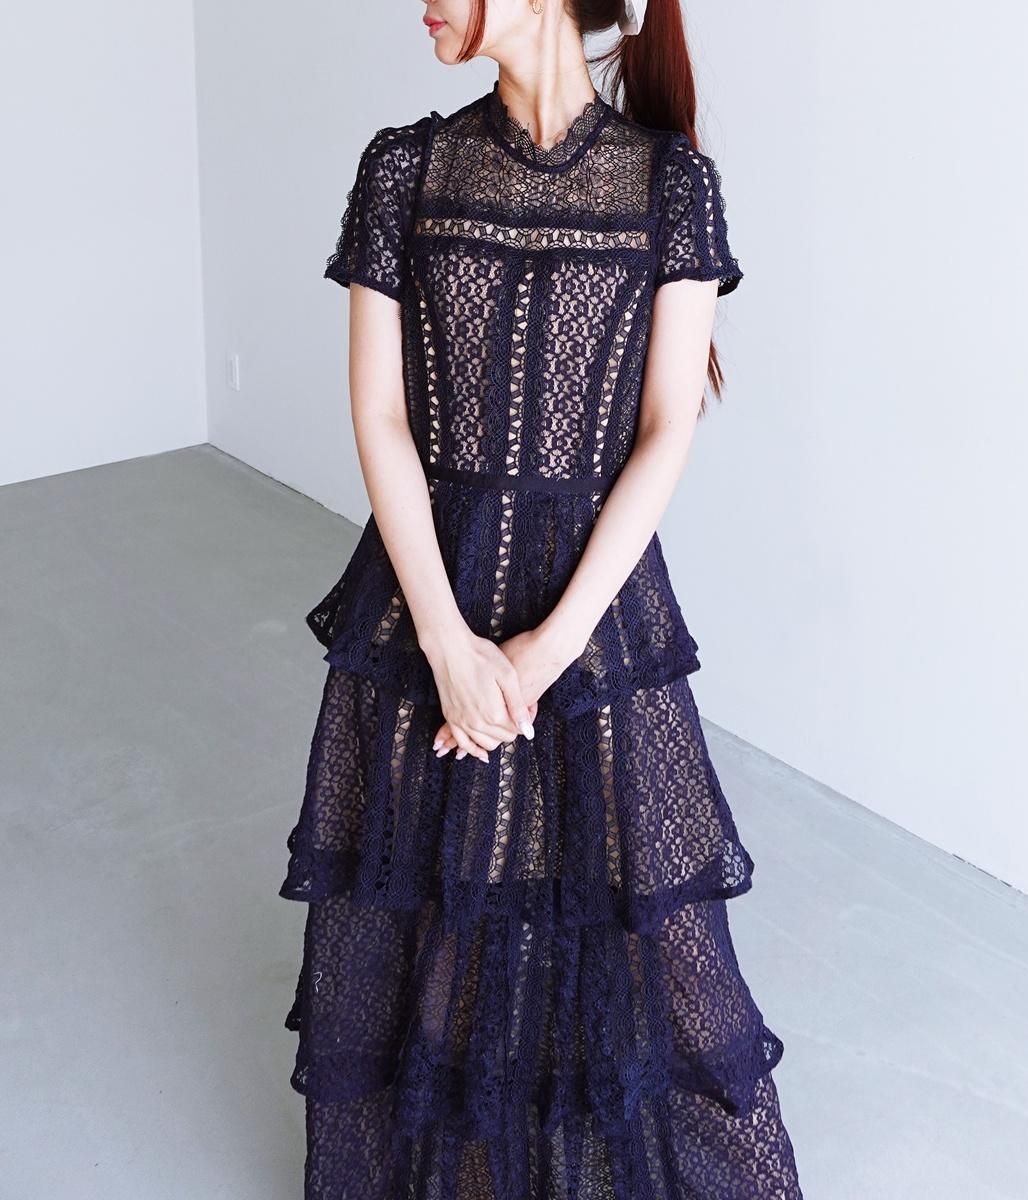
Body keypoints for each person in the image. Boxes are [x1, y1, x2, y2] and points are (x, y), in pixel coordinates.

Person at [278, 1, 805, 1196]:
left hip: (595, 609)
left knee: (621, 916)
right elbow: (380, 418)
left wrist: (542, 652)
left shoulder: (670, 187)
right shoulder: (404, 168)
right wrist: (448, 645)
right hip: (425, 593)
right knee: (429, 904)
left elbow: (666, 430)